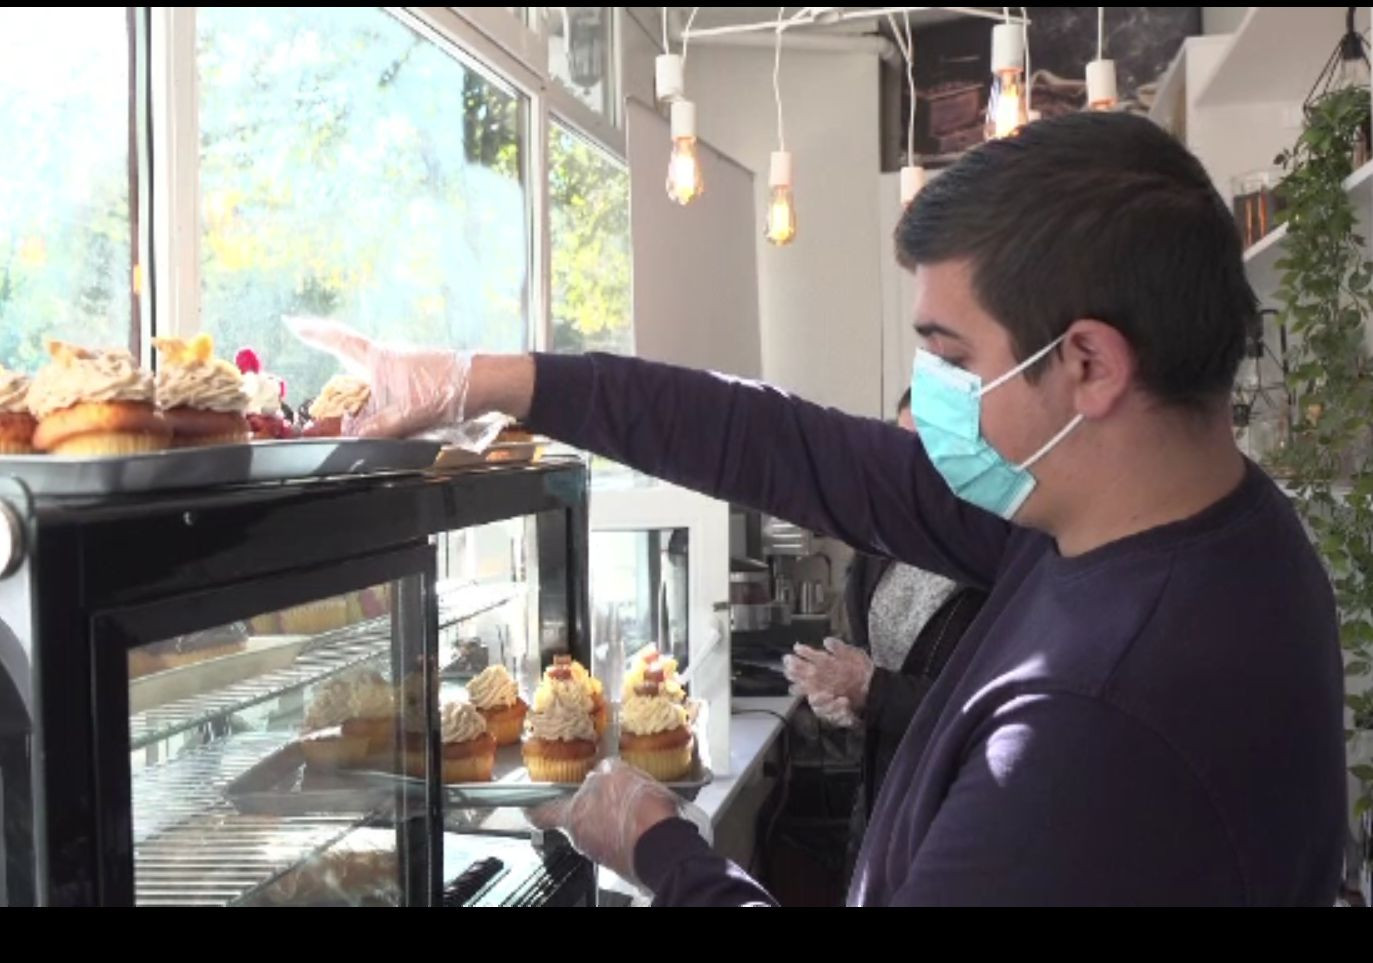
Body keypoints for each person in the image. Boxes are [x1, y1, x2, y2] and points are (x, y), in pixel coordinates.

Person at [294, 112, 1346, 906]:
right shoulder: (1140, 518)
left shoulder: (1095, 732)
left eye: (950, 356)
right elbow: (776, 441)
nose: (928, 391)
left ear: (1087, 365)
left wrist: (663, 849)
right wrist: (485, 379)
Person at [783, 388, 987, 885]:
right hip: (881, 796)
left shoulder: (998, 560)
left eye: (929, 447)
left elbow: (979, 713)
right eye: (901, 444)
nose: (910, 465)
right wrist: (843, 702)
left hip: (956, 808)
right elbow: (867, 657)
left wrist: (872, 690)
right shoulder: (881, 541)